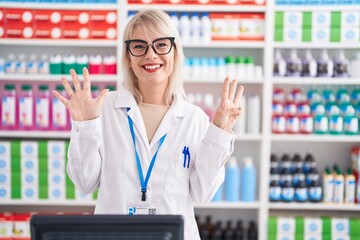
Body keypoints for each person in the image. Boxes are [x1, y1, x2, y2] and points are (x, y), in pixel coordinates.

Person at [53, 9, 244, 240]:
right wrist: (85, 125)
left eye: (161, 45)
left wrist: (219, 133)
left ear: (174, 53)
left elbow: (203, 193)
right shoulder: (103, 110)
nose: (150, 55)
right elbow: (84, 183)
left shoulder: (195, 119)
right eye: (139, 46)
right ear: (129, 57)